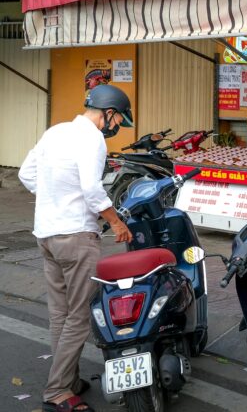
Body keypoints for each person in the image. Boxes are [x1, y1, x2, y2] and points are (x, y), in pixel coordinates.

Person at [18, 84, 134, 412]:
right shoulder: (92, 138)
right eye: (118, 119)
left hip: (47, 234)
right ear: (108, 113)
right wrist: (116, 222)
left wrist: (56, 197)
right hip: (76, 236)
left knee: (60, 315)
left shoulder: (55, 131)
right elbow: (92, 189)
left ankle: (68, 380)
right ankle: (58, 390)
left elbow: (26, 174)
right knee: (80, 317)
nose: (116, 126)